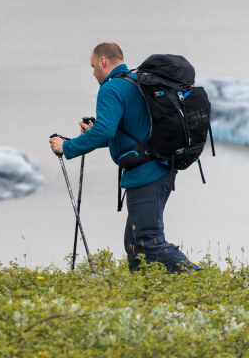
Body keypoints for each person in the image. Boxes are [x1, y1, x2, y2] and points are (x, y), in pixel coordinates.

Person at [48, 42, 200, 273]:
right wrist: (94, 134)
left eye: (92, 66)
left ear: (102, 61)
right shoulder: (138, 82)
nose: (93, 72)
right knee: (134, 244)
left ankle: (197, 280)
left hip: (146, 173)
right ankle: (142, 294)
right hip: (159, 169)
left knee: (149, 242)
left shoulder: (111, 89)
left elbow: (105, 131)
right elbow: (131, 133)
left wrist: (67, 147)